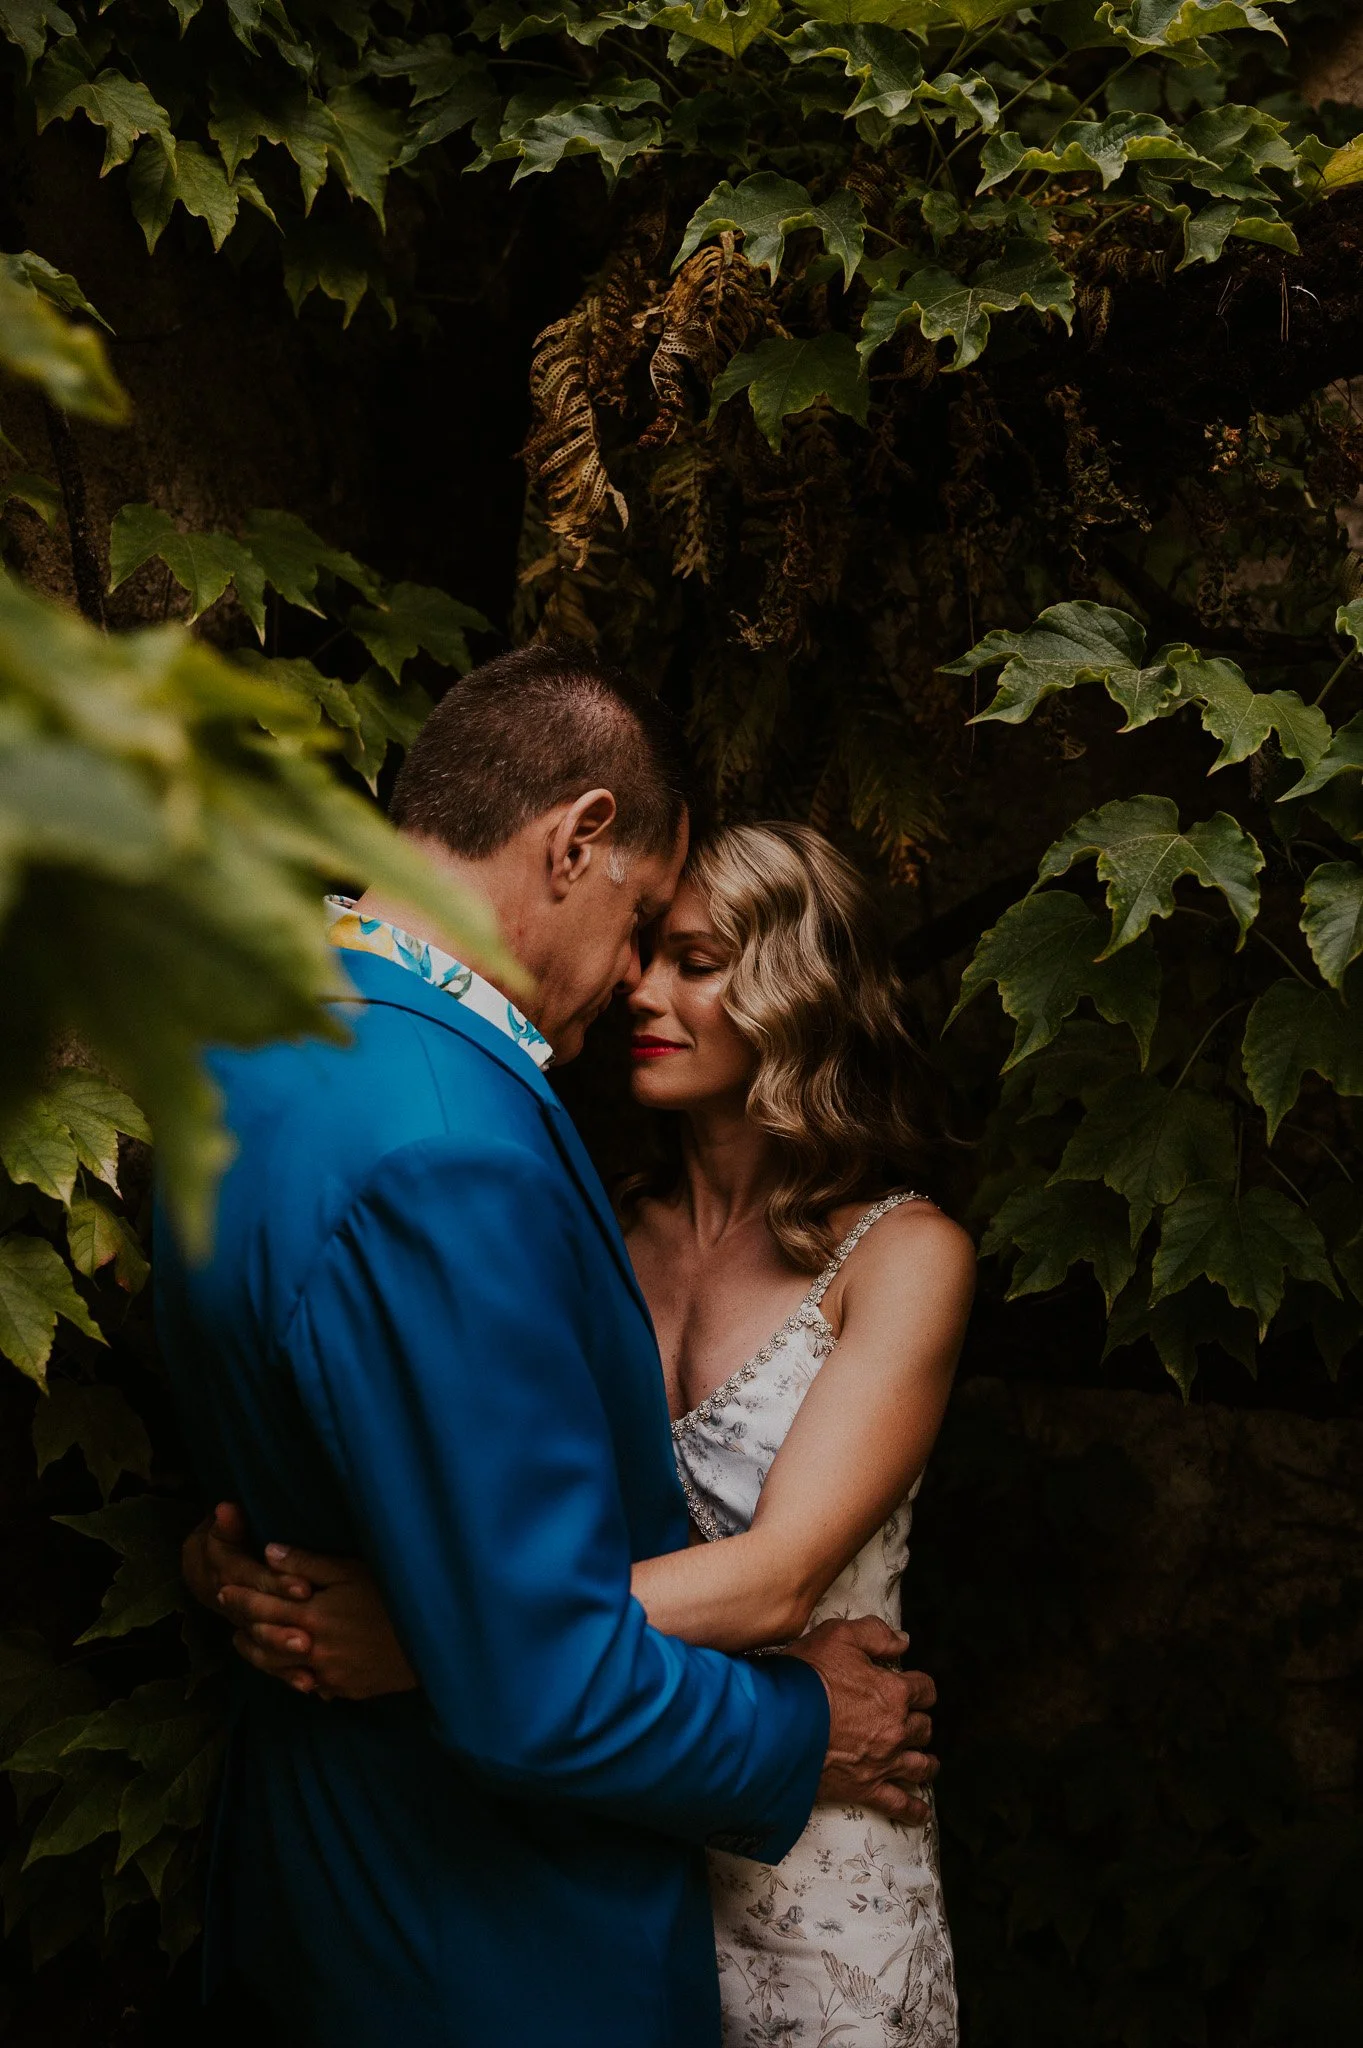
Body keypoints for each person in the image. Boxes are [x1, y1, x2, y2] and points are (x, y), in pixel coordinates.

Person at [159, 647, 940, 2048]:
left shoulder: (244, 1044)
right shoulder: (452, 1149)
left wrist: (246, 1567)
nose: (634, 978)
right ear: (574, 838)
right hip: (484, 1938)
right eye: (644, 919)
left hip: (333, 1884)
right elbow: (536, 1687)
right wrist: (805, 1732)